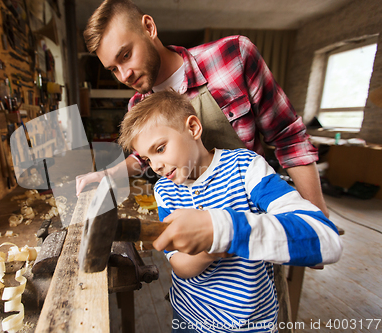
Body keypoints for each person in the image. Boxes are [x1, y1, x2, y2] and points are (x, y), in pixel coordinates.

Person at [77, 0, 330, 253]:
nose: (124, 76)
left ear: (149, 27)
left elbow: (289, 137)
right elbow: (143, 159)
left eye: (125, 55)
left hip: (256, 231)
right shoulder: (138, 105)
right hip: (197, 249)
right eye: (113, 69)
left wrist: (316, 221)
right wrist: (107, 176)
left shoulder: (233, 56)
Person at [117, 90, 342, 332]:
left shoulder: (246, 167)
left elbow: (325, 239)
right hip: (189, 318)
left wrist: (223, 230)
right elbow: (181, 266)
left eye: (160, 149)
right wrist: (210, 247)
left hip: (249, 324)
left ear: (193, 128)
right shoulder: (165, 190)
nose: (157, 166)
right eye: (148, 159)